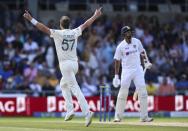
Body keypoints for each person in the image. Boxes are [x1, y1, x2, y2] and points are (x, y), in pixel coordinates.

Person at [23, 8, 102, 127]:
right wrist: (95, 15)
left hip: (65, 65)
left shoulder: (57, 33)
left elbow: (42, 27)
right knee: (63, 85)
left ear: (60, 25)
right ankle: (70, 110)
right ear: (69, 24)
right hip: (75, 65)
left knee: (74, 88)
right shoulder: (75, 32)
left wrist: (31, 19)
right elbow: (86, 24)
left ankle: (87, 112)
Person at [112, 26, 153, 122]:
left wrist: (146, 61)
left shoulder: (137, 41)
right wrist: (116, 76)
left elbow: (142, 52)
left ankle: (144, 116)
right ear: (123, 34)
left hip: (138, 69)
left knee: (143, 92)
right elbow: (117, 61)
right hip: (126, 71)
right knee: (123, 93)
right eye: (127, 32)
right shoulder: (120, 46)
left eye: (130, 32)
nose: (129, 34)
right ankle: (118, 116)